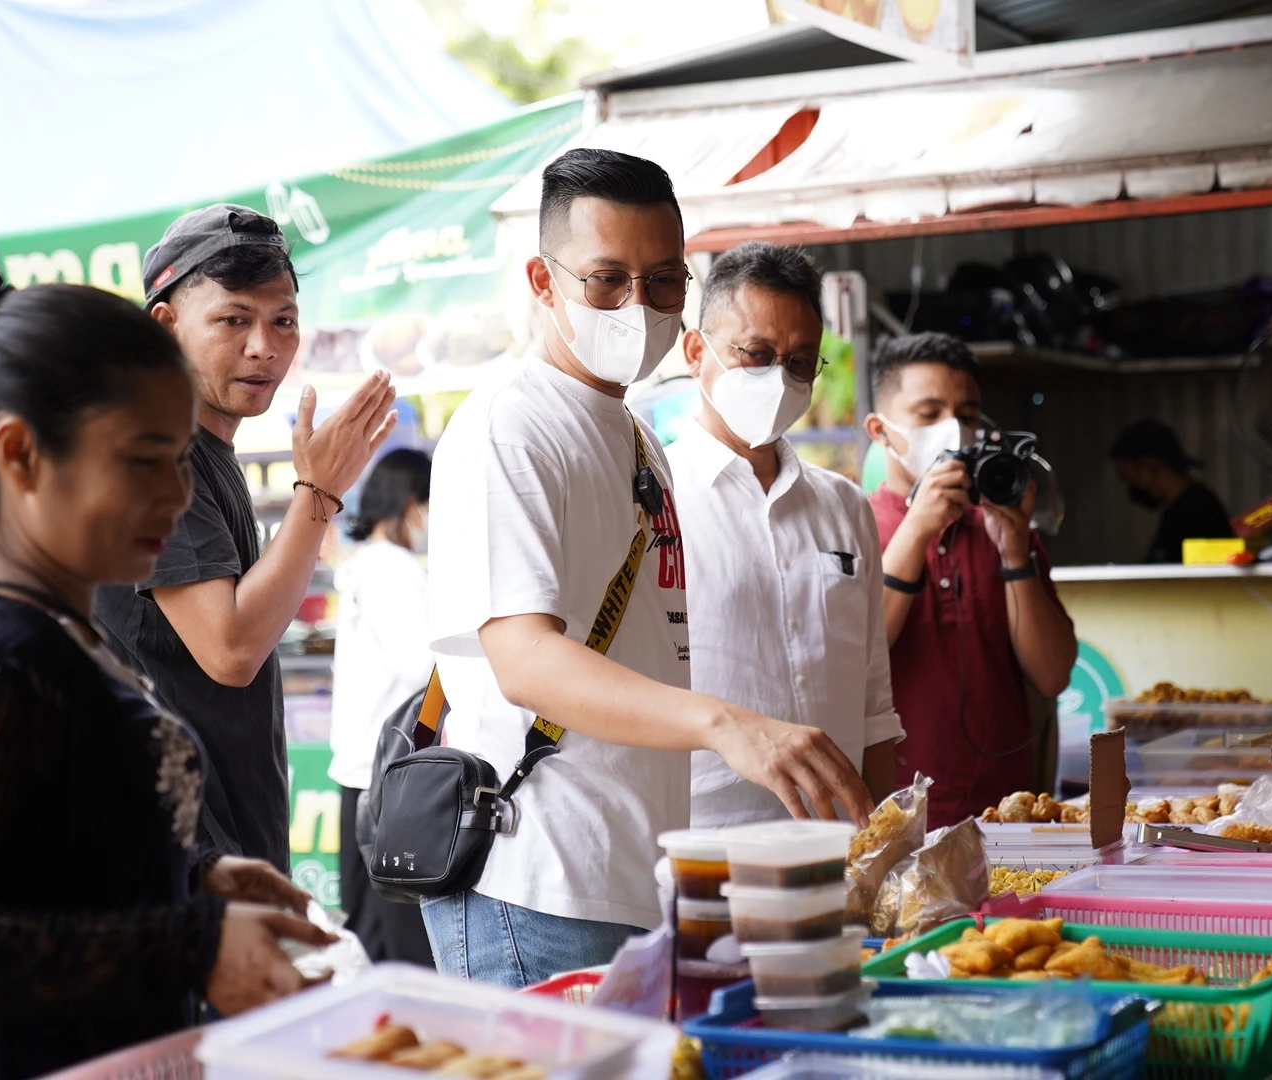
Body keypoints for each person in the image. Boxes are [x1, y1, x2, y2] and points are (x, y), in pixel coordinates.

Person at [426, 148, 871, 987]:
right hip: (538, 883)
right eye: (606, 280)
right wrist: (726, 723)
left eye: (663, 282)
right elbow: (522, 659)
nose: (637, 305)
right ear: (543, 278)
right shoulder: (507, 427)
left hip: (631, 879)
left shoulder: (634, 440)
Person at [0, 272, 330, 1079]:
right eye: (145, 459)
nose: (177, 491)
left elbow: (39, 865)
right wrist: (189, 941)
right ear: (20, 454)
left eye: (181, 458)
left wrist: (191, 877)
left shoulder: (63, 634)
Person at [95, 205, 398, 871]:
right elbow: (230, 649)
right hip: (179, 858)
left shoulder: (205, 450)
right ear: (166, 327)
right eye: (234, 320)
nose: (264, 346)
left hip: (221, 845)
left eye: (282, 320)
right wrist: (318, 494)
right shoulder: (158, 447)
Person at [668, 241, 903, 827]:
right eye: (756, 354)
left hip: (833, 845)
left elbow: (874, 705)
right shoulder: (651, 497)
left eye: (799, 361)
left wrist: (874, 841)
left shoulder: (845, 507)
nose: (779, 377)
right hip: (701, 845)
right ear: (696, 351)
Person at [863, 332, 1077, 828]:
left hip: (1006, 818)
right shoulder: (856, 527)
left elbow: (1052, 675)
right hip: (893, 824)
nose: (953, 430)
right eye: (929, 412)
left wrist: (1016, 551)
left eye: (967, 413)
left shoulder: (1001, 525)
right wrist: (917, 527)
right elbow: (857, 661)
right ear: (880, 429)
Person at [328, 448, 436, 965]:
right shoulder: (391, 570)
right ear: (412, 502)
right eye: (430, 504)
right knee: (400, 938)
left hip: (363, 769)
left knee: (370, 930)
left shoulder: (365, 567)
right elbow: (421, 665)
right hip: (388, 776)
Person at [1109, 420, 1235, 563]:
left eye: (1127, 477)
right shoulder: (1179, 510)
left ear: (1149, 466)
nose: (1130, 485)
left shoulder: (1198, 511)